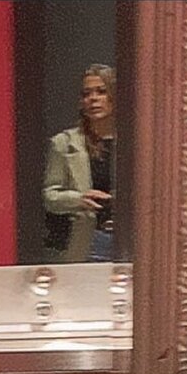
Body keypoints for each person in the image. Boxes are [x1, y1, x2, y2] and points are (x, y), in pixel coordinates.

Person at [42, 64, 117, 263]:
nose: (93, 99)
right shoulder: (65, 143)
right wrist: (79, 199)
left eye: (101, 91)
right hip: (91, 238)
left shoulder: (135, 142)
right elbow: (50, 196)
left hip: (130, 237)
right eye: (86, 94)